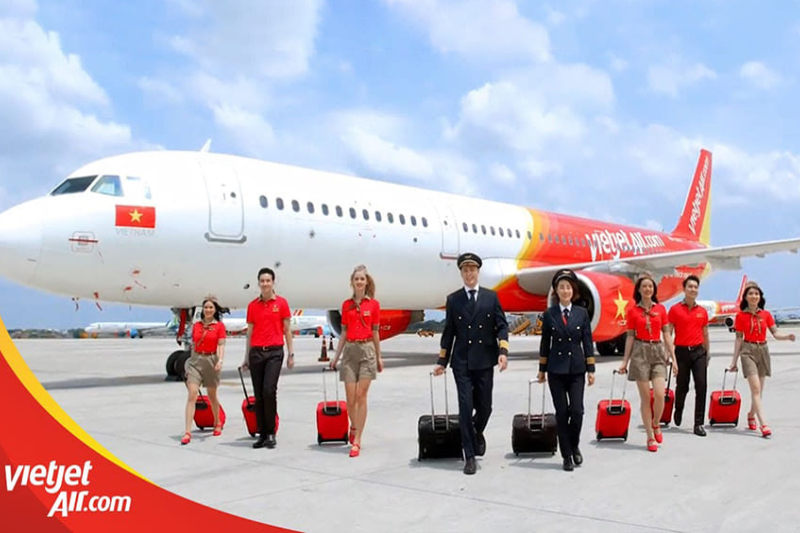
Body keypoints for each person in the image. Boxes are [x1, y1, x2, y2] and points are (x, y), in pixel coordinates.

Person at [433, 252, 509, 475]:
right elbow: (449, 333)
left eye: (472, 270)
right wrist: (442, 361)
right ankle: (470, 455)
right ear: (461, 274)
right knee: (465, 408)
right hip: (462, 362)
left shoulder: (491, 298)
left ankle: (475, 432)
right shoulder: (454, 300)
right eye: (465, 270)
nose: (469, 274)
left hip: (485, 360)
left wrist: (503, 351)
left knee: (485, 407)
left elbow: (502, 326)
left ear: (478, 272)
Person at [537, 269, 595, 471]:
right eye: (561, 287)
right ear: (556, 291)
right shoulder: (549, 314)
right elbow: (545, 343)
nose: (565, 290)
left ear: (573, 290)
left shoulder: (581, 313)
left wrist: (591, 369)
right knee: (561, 413)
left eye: (568, 287)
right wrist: (542, 369)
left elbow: (587, 341)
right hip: (556, 370)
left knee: (577, 411)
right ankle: (567, 455)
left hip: (577, 369)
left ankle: (574, 444)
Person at [330, 265, 384, 458]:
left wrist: (379, 356)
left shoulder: (374, 305)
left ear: (366, 282)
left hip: (367, 349)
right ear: (352, 282)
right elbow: (343, 332)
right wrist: (336, 357)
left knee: (362, 395)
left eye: (362, 279)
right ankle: (354, 426)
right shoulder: (346, 305)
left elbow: (375, 332)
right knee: (351, 398)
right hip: (350, 351)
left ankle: (357, 440)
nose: (359, 282)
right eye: (356, 279)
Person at [729, 281, 795, 438]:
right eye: (751, 294)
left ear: (760, 297)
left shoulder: (766, 315)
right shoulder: (740, 316)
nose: (754, 296)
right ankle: (764, 424)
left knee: (759, 390)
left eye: (756, 294)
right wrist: (734, 361)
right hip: (748, 351)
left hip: (763, 350)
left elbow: (775, 333)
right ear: (746, 297)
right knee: (756, 389)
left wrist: (787, 337)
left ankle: (751, 414)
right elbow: (738, 339)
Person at [619, 273, 675, 452]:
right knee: (645, 398)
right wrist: (625, 361)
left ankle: (656, 423)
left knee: (659, 394)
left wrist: (673, 358)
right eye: (644, 286)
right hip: (640, 352)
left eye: (650, 286)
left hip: (657, 351)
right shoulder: (632, 311)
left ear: (654, 289)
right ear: (639, 290)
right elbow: (630, 337)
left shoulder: (661, 309)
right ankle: (650, 436)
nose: (647, 289)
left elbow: (667, 335)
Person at [241, 267, 295, 449]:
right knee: (258, 394)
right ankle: (262, 433)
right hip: (256, 352)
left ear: (273, 282)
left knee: (269, 390)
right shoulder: (252, 306)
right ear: (259, 283)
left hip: (274, 352)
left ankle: (271, 432)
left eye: (268, 281)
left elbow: (287, 330)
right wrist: (246, 357)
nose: (265, 284)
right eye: (262, 281)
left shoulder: (281, 303)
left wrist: (291, 354)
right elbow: (249, 333)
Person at [667, 275, 710, 437]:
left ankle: (698, 423)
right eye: (690, 287)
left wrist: (707, 353)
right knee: (682, 386)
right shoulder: (675, 309)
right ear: (684, 289)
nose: (693, 289)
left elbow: (705, 334)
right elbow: (669, 333)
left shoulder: (702, 311)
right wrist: (668, 355)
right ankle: (678, 409)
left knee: (701, 386)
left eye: (695, 287)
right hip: (681, 352)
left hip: (699, 352)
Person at [181, 296, 226, 445]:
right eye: (206, 307)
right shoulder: (196, 326)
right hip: (196, 361)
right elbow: (194, 345)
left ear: (215, 310)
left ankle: (217, 422)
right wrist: (189, 364)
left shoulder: (219, 326)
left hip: (211, 361)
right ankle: (187, 432)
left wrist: (220, 360)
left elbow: (221, 345)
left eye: (211, 307)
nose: (208, 310)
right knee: (192, 394)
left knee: (212, 395)